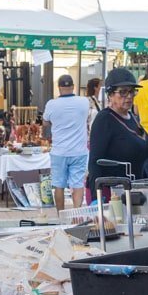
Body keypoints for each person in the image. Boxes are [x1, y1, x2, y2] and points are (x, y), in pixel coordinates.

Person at [88, 68, 148, 195]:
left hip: (136, 191)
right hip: (114, 193)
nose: (129, 96)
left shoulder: (132, 118)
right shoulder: (105, 119)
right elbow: (94, 162)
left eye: (132, 91)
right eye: (123, 92)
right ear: (110, 95)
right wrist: (97, 198)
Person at [42, 75, 91, 210]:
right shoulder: (84, 102)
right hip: (79, 151)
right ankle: (77, 214)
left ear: (59, 88)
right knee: (77, 184)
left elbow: (45, 122)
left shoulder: (52, 104)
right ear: (73, 87)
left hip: (59, 151)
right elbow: (86, 117)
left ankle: (61, 216)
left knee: (59, 185)